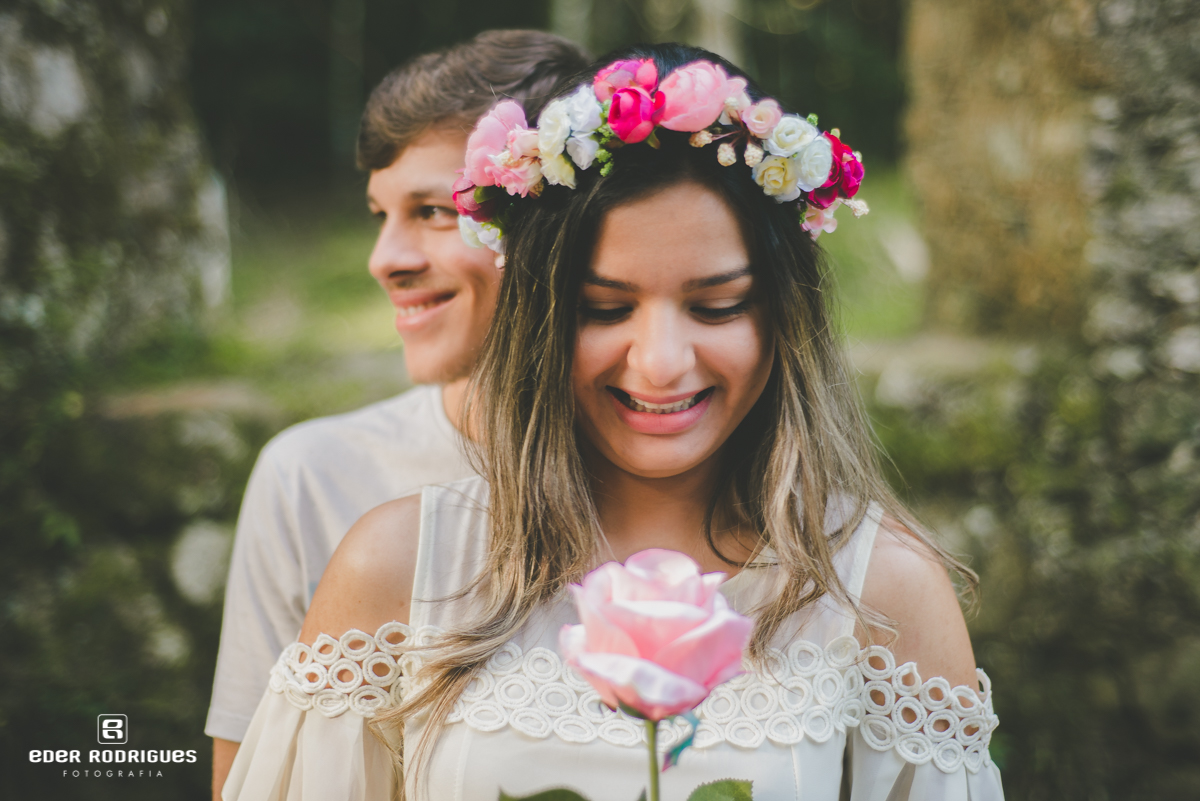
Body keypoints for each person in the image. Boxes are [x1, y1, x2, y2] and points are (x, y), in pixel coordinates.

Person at [223, 43, 1005, 800]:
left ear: (783, 320)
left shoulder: (881, 590)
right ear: (540, 318)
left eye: (717, 305)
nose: (661, 361)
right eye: (604, 308)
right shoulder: (394, 566)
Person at [205, 30, 590, 798]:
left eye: (434, 211)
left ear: (557, 224)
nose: (385, 257)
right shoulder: (310, 477)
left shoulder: (671, 470)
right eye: (381, 212)